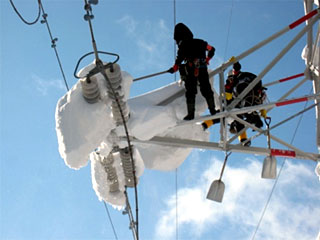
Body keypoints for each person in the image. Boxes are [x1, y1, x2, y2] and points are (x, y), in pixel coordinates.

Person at [168, 23, 217, 120]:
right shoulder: (201, 42)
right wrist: (207, 59)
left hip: (190, 69)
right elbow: (212, 49)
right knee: (206, 88)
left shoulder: (182, 46)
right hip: (202, 67)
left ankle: (191, 114)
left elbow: (179, 60)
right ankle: (212, 109)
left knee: (190, 91)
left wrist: (174, 68)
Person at [225, 62, 267, 146]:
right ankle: (245, 136)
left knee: (240, 117)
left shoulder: (239, 78)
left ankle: (252, 124)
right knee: (242, 117)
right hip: (248, 101)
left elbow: (229, 96)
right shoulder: (237, 80)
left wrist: (235, 66)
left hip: (247, 99)